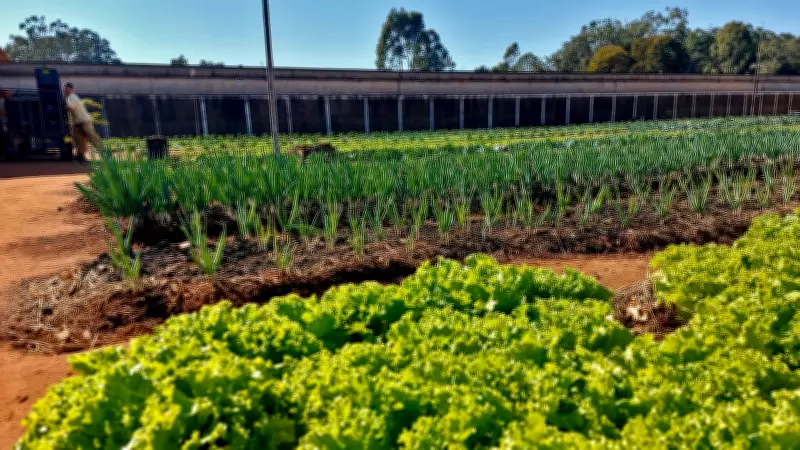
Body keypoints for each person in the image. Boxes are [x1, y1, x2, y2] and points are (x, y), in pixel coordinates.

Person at [64, 82, 103, 162]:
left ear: (71, 89)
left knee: (91, 136)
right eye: (65, 88)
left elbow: (70, 107)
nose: (66, 90)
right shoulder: (68, 97)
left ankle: (104, 151)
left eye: (67, 88)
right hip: (76, 122)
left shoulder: (71, 97)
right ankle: (81, 156)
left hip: (84, 120)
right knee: (78, 139)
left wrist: (62, 108)